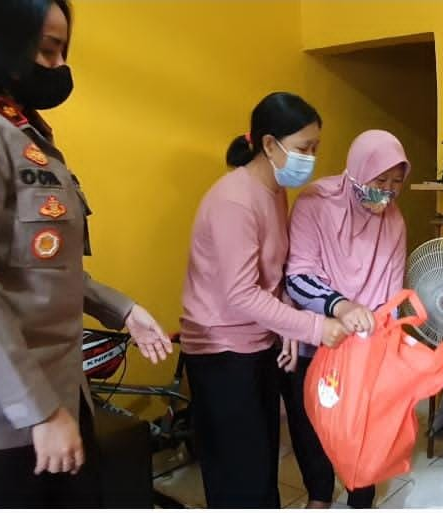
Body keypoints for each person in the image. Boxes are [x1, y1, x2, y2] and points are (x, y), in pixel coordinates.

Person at [0, 0, 173, 507]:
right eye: (47, 50)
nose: (60, 67)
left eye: (63, 50)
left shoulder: (21, 132)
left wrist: (121, 309)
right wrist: (39, 410)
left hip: (51, 398)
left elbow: (39, 266)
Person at [179, 92, 351, 508]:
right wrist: (314, 326)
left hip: (257, 343)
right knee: (240, 474)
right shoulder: (233, 201)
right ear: (269, 145)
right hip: (221, 350)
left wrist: (286, 321)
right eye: (304, 148)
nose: (311, 158)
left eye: (316, 148)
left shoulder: (274, 189)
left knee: (261, 464)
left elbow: (271, 275)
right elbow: (240, 294)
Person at [281, 129, 410, 508]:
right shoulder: (315, 202)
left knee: (363, 427)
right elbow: (298, 273)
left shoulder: (395, 220)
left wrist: (387, 340)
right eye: (379, 180)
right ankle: (319, 496)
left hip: (366, 346)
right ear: (356, 170)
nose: (386, 192)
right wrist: (342, 307)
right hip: (315, 332)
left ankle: (360, 496)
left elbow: (391, 290)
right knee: (310, 422)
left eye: (396, 183)